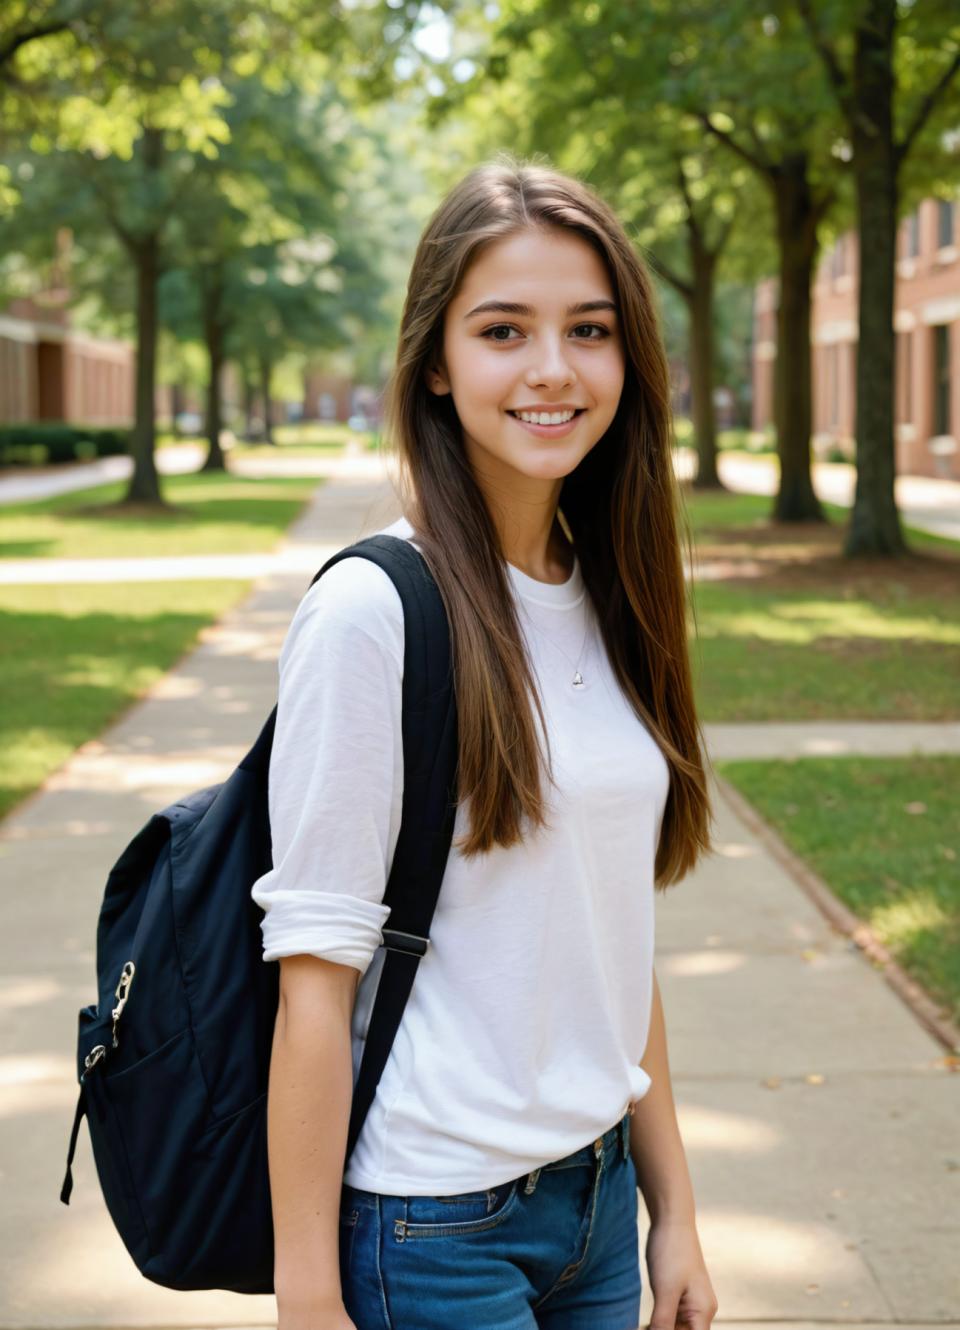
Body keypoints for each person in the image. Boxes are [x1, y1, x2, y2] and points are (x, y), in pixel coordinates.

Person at [251, 153, 718, 1330]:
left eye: (591, 329)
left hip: (601, 1207)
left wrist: (677, 1209)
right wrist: (306, 1293)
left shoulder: (616, 597)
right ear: (439, 363)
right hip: (432, 1221)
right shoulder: (374, 612)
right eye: (504, 330)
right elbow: (315, 983)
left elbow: (612, 935)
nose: (553, 370)